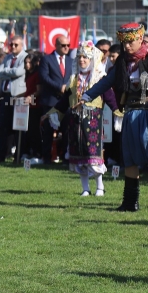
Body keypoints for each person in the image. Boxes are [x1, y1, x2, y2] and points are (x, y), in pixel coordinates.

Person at [80, 23, 148, 213]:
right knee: (129, 158)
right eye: (124, 42)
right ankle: (130, 203)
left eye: (130, 42)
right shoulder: (122, 61)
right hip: (130, 113)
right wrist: (87, 96)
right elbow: (107, 81)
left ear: (140, 39)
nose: (127, 46)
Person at [47, 42, 118, 196]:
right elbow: (65, 100)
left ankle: (100, 187)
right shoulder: (74, 79)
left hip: (93, 120)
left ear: (91, 59)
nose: (82, 60)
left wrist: (117, 112)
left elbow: (110, 97)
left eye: (85, 57)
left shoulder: (99, 77)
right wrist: (55, 112)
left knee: (93, 154)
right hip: (75, 121)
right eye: (79, 57)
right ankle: (85, 188)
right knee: (78, 154)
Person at [38, 35, 72, 163]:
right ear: (56, 45)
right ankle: (46, 158)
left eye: (68, 45)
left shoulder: (71, 61)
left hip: (66, 101)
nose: (66, 48)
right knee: (48, 130)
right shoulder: (47, 59)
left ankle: (65, 158)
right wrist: (59, 87)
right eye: (63, 45)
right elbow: (44, 77)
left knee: (66, 130)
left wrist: (68, 88)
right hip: (51, 100)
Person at [0, 36, 27, 163]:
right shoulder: (8, 57)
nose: (13, 47)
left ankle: (18, 156)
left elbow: (19, 72)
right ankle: (1, 155)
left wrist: (6, 71)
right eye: (11, 44)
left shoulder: (25, 57)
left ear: (21, 45)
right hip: (6, 95)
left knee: (18, 127)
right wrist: (10, 73)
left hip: (18, 95)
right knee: (3, 126)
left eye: (15, 45)